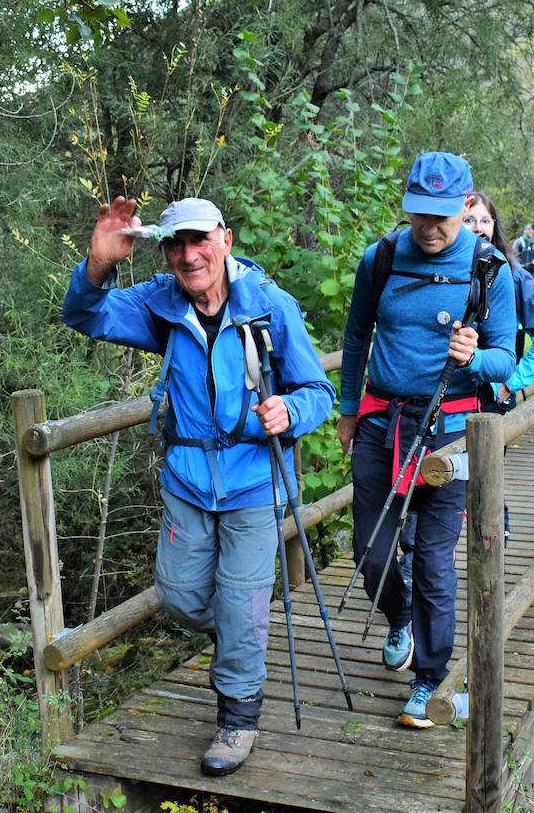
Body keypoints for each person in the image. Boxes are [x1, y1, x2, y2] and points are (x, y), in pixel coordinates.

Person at [63, 196, 335, 776]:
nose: (189, 256)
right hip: (187, 479)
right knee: (182, 596)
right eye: (176, 245)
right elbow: (85, 315)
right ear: (165, 251)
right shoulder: (159, 305)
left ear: (225, 240)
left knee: (240, 600)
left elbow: (319, 390)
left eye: (199, 241)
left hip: (254, 480)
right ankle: (245, 627)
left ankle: (238, 721)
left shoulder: (269, 305)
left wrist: (291, 410)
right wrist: (97, 265)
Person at [339, 152, 518, 729]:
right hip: (380, 424)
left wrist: (478, 357)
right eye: (420, 214)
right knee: (370, 553)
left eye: (443, 216)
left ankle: (429, 680)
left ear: (467, 206)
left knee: (437, 564)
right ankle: (399, 620)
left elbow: (507, 356)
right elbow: (356, 333)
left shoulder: (489, 268)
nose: (431, 228)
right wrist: (347, 410)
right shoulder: (383, 257)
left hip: (451, 433)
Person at [464, 194, 534, 405]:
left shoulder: (514, 276)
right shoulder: (441, 272)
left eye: (485, 221)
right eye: (469, 220)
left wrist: (509, 384)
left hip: (488, 400)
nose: (478, 228)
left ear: (494, 226)